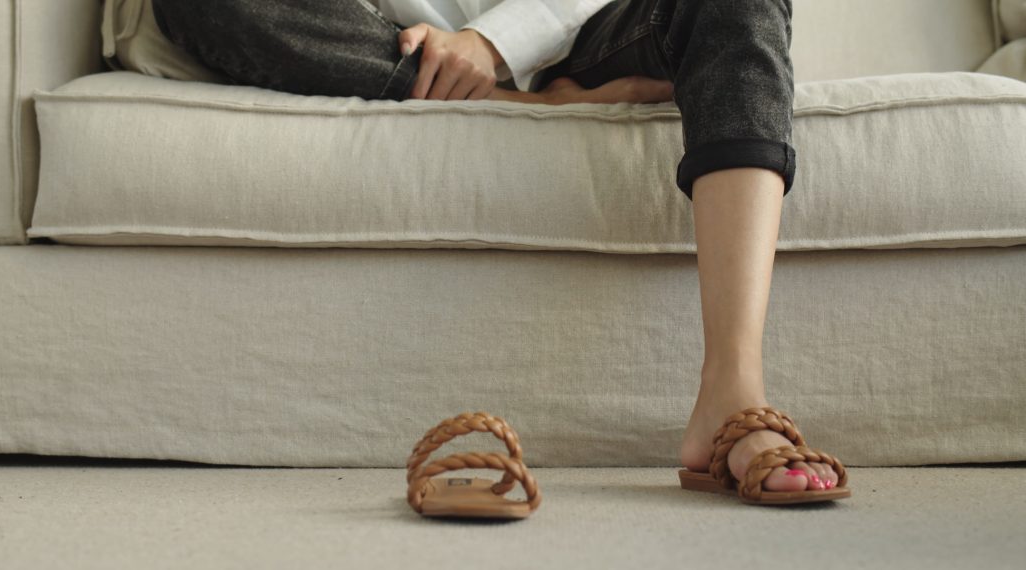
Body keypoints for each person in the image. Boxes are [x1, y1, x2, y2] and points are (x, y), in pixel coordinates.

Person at [150, 0, 843, 499]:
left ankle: (732, 391)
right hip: (393, 40)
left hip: (579, 26)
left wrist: (494, 43)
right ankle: (526, 107)